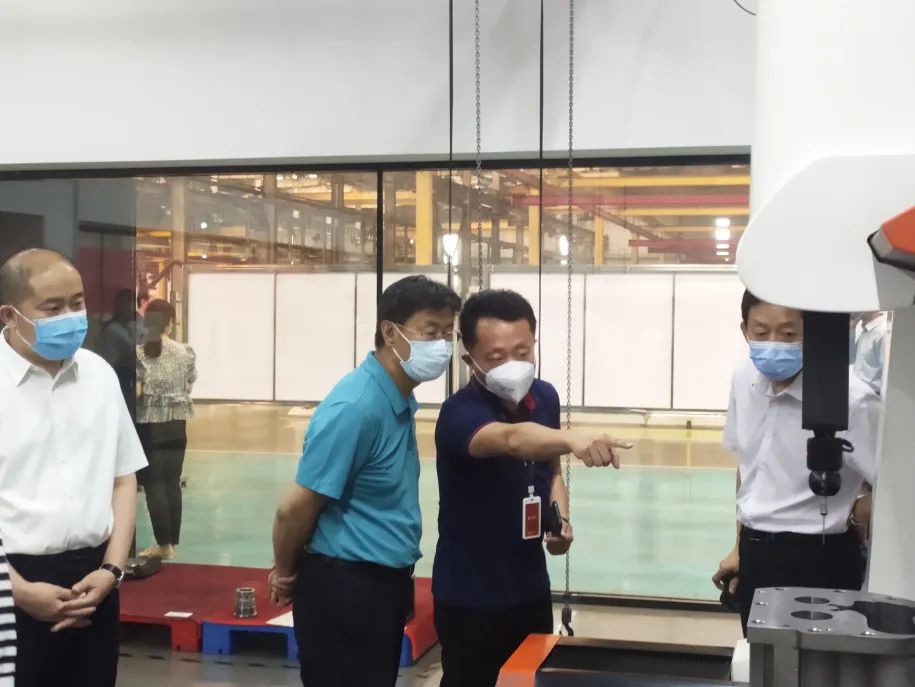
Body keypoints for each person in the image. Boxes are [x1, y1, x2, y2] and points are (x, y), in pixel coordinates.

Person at [433, 289, 632, 687]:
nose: (513, 365)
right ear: (470, 359)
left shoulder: (545, 397)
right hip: (471, 597)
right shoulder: (458, 414)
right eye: (496, 357)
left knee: (529, 681)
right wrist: (574, 439)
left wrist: (561, 522)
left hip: (529, 588)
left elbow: (552, 470)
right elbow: (512, 440)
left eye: (522, 353)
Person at [269, 275, 461, 687]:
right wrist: (284, 572)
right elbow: (294, 509)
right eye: (430, 332)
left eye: (448, 334)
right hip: (345, 589)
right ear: (390, 332)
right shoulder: (356, 407)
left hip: (380, 587)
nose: (442, 345)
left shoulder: (395, 397)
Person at [0, 249, 147, 687]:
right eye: (52, 308)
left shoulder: (99, 375)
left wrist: (111, 571)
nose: (69, 317)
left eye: (77, 303)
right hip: (12, 581)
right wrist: (19, 590)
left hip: (94, 580)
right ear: (10, 316)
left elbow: (123, 479)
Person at [712, 290, 879, 634]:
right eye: (761, 332)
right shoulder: (743, 380)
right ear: (744, 330)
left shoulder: (852, 399)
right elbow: (749, 470)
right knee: (763, 658)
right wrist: (739, 546)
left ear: (811, 334)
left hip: (821, 558)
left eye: (788, 334)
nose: (773, 344)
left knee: (822, 661)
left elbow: (895, 483)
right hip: (756, 554)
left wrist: (860, 509)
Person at [135, 299, 197, 560]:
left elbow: (137, 392)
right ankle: (172, 543)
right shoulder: (186, 352)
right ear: (170, 323)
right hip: (177, 425)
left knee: (154, 485)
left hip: (150, 426)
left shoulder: (139, 354)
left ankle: (162, 544)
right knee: (172, 483)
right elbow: (189, 384)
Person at [851, 311, 888, 394]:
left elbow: (887, 374)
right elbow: (852, 359)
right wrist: (851, 330)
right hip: (859, 392)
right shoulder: (867, 329)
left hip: (872, 395)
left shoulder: (882, 332)